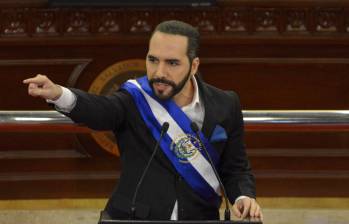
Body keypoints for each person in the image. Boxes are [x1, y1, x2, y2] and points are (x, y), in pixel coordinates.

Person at [23, 20, 262, 221]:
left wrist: (243, 197)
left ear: (194, 65)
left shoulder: (226, 103)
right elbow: (100, 109)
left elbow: (236, 169)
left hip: (201, 218)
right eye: (153, 60)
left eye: (172, 63)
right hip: (133, 218)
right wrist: (58, 94)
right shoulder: (134, 98)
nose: (159, 72)